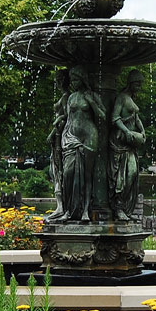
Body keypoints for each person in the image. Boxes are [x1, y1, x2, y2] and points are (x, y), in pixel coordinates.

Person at [59, 66, 105, 222]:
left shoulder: (92, 95)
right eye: (72, 80)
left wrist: (92, 102)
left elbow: (102, 116)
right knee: (67, 174)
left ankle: (85, 210)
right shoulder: (71, 97)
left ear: (83, 79)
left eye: (76, 79)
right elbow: (68, 117)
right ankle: (68, 210)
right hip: (71, 137)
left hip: (89, 136)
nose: (73, 82)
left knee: (86, 175)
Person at [109, 70, 146, 221]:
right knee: (124, 175)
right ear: (130, 83)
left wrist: (142, 130)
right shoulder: (122, 98)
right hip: (120, 142)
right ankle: (117, 207)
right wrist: (127, 132)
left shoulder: (131, 98)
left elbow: (135, 117)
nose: (139, 86)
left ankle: (124, 207)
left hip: (130, 144)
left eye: (140, 84)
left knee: (132, 173)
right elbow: (115, 118)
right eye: (137, 83)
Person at [45, 69, 70, 223]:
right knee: (55, 170)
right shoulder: (65, 97)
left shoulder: (67, 97)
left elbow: (68, 115)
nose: (58, 83)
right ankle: (61, 206)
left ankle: (62, 206)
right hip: (59, 136)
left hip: (62, 136)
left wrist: (53, 129)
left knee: (58, 170)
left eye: (60, 80)